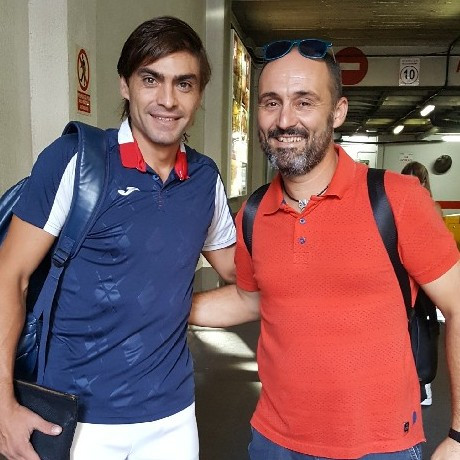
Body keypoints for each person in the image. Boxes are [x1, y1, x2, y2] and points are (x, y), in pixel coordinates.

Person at [190, 39, 460, 459]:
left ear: (338, 111)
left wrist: (458, 435)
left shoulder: (397, 200)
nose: (285, 120)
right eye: (271, 103)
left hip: (379, 447)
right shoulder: (254, 213)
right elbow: (250, 298)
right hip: (274, 443)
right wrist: (158, 307)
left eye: (304, 102)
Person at [0, 16, 236, 460]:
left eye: (184, 84)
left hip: (173, 418)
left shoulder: (205, 179)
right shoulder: (76, 161)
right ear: (125, 85)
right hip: (76, 419)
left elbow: (241, 273)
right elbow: (9, 276)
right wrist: (2, 407)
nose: (167, 100)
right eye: (151, 79)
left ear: (200, 93)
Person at [401, 160, 444, 407]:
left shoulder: (432, 207)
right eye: (407, 180)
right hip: (404, 278)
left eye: (415, 181)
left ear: (424, 182)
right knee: (404, 327)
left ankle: (424, 382)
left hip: (425, 278)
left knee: (424, 327)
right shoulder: (397, 205)